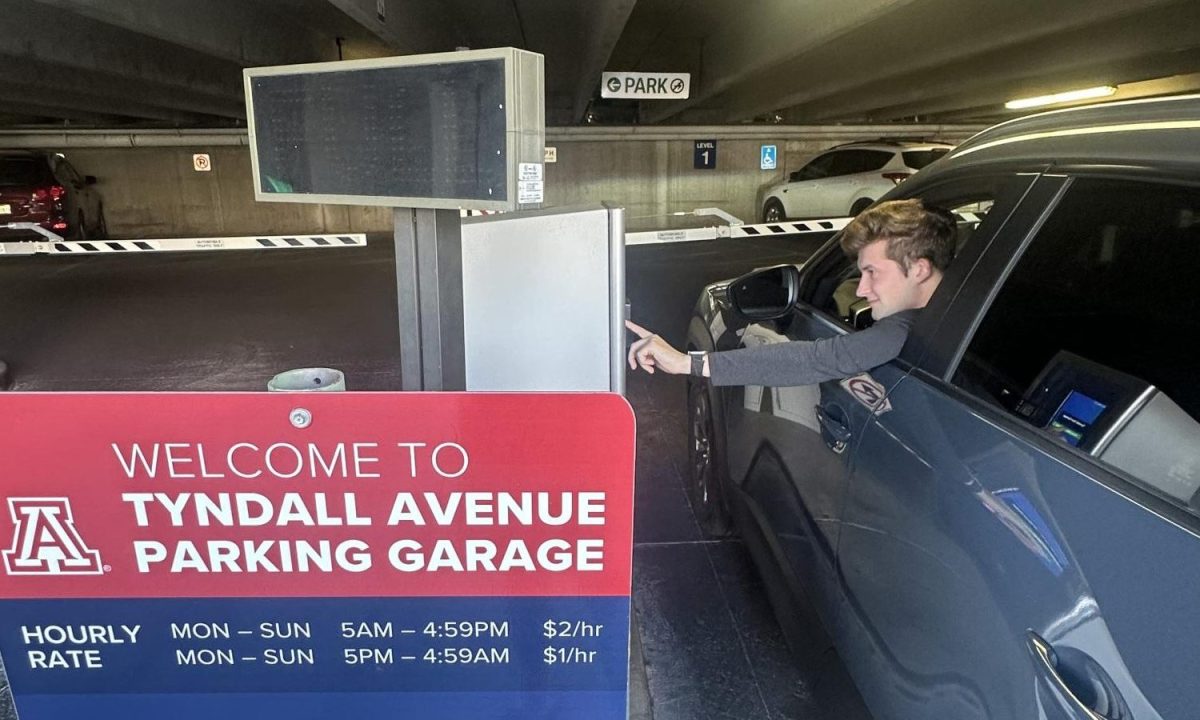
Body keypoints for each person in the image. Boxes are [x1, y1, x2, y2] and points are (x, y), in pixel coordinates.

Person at [626, 198, 957, 386]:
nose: (861, 288)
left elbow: (816, 360)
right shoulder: (952, 320)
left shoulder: (904, 331)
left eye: (872, 273)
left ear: (919, 269)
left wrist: (688, 364)